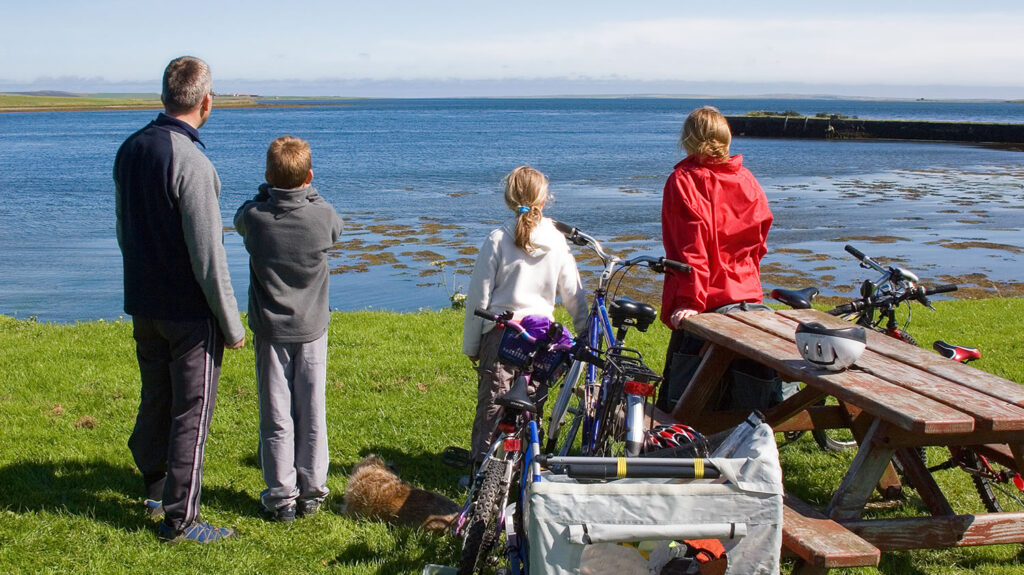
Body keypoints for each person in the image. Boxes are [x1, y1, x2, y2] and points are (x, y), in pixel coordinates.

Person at [114, 56, 245, 543]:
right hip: (188, 313)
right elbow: (209, 256)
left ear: (166, 94)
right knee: (192, 412)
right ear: (206, 101)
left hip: (144, 301)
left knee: (156, 397)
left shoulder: (130, 149)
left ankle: (154, 482)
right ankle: (180, 520)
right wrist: (231, 325)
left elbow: (123, 229)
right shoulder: (192, 162)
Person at [234, 136, 343, 522]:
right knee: (312, 411)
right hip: (312, 327)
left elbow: (241, 215)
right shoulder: (322, 215)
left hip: (270, 330)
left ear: (267, 176)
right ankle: (312, 492)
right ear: (310, 177)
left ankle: (281, 497)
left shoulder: (256, 218)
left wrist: (268, 192)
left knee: (276, 415)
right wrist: (309, 195)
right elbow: (335, 228)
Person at [462, 166, 589, 469]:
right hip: (541, 338)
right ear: (544, 200)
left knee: (494, 404)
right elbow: (574, 294)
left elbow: (478, 297)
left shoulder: (497, 238)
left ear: (508, 198)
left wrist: (472, 345)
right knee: (532, 403)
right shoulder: (557, 241)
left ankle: (482, 468)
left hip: (503, 331)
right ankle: (524, 465)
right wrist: (584, 333)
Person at [656, 106, 777, 413]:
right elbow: (760, 237)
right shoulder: (747, 180)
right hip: (747, 297)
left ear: (688, 138)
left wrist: (689, 302)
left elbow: (690, 249)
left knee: (683, 404)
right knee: (744, 399)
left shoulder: (684, 181)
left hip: (708, 301)